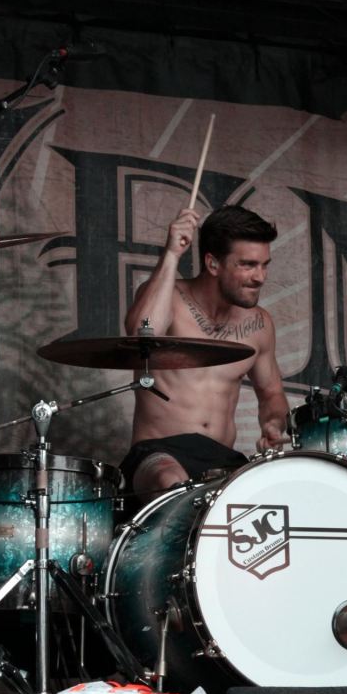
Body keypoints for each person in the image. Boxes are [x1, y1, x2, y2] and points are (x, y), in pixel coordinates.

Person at [120, 204, 289, 504]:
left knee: (274, 499)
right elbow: (141, 333)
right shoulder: (167, 299)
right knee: (171, 481)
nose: (260, 277)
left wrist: (273, 423)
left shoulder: (260, 324)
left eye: (265, 265)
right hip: (159, 454)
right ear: (212, 264)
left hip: (222, 461)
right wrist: (171, 255)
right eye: (248, 265)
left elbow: (272, 393)